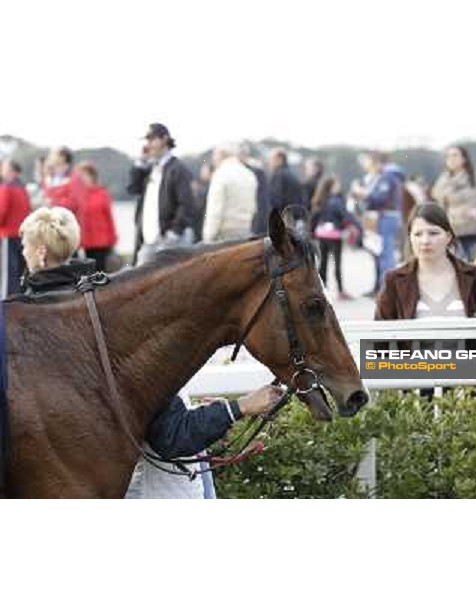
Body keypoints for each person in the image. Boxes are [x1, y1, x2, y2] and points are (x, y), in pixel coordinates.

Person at [18, 206, 284, 498]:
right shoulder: (111, 317)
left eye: (24, 247)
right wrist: (238, 407)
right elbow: (172, 433)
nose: (23, 253)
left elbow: (170, 432)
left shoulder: (23, 327)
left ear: (41, 253)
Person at [376, 202, 476, 321]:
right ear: (410, 237)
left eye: (433, 233)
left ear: (448, 237)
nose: (425, 241)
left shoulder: (475, 275)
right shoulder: (394, 279)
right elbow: (379, 333)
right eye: (418, 234)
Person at [127, 123, 195, 265]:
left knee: (175, 286)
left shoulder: (178, 168)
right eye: (147, 140)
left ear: (164, 139)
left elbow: (187, 204)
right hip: (148, 242)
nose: (148, 145)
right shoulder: (150, 168)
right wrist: (140, 162)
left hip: (170, 241)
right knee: (141, 282)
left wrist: (173, 233)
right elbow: (133, 189)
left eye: (152, 140)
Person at [431, 145, 476, 262]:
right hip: (452, 232)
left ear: (464, 158)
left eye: (455, 155)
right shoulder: (442, 181)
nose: (451, 159)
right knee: (455, 271)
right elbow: (438, 205)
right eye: (448, 156)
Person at [351, 151, 403, 293]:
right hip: (382, 217)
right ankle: (382, 287)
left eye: (368, 162)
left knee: (386, 254)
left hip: (385, 216)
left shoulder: (387, 176)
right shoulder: (385, 175)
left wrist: (362, 192)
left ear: (377, 162)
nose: (366, 165)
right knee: (380, 252)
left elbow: (379, 197)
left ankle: (388, 288)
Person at [311, 176, 361, 300]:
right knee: (336, 263)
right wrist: (357, 226)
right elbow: (346, 216)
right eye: (337, 185)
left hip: (321, 234)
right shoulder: (337, 201)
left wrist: (311, 232)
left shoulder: (320, 200)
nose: (339, 187)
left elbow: (314, 217)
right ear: (332, 186)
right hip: (334, 235)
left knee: (323, 263)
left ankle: (321, 289)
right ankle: (340, 291)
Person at [202, 142, 258, 242]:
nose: (214, 159)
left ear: (221, 154)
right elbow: (253, 207)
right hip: (246, 231)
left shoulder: (220, 174)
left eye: (215, 155)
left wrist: (208, 236)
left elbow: (215, 210)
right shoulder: (249, 174)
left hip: (224, 235)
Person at [75, 161, 117, 272]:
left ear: (92, 176)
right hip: (85, 242)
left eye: (84, 175)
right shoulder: (78, 195)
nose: (81, 179)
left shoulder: (102, 193)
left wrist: (113, 238)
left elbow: (109, 217)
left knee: (100, 273)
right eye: (79, 176)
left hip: (101, 241)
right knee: (89, 273)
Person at [0, 160, 31, 297]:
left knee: (8, 273)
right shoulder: (23, 188)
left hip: (8, 234)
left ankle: (6, 305)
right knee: (19, 271)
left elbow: (1, 212)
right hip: (21, 234)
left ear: (11, 170)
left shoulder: (6, 188)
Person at [42, 146, 86, 223]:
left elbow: (75, 203)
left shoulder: (74, 178)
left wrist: (53, 202)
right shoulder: (49, 178)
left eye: (54, 154)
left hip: (68, 226)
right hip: (51, 225)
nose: (51, 157)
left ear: (63, 158)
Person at [268, 148, 306, 227]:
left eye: (272, 159)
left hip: (284, 218)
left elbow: (276, 200)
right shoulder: (292, 174)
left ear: (280, 159)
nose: (270, 162)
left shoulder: (278, 175)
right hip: (294, 217)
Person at [239, 143, 270, 236]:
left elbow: (262, 201)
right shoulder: (228, 173)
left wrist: (259, 227)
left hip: (252, 222)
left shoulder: (257, 172)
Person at [191, 162, 213, 242]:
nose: (202, 173)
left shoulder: (209, 187)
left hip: (202, 224)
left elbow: (199, 207)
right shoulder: (204, 186)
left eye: (204, 171)